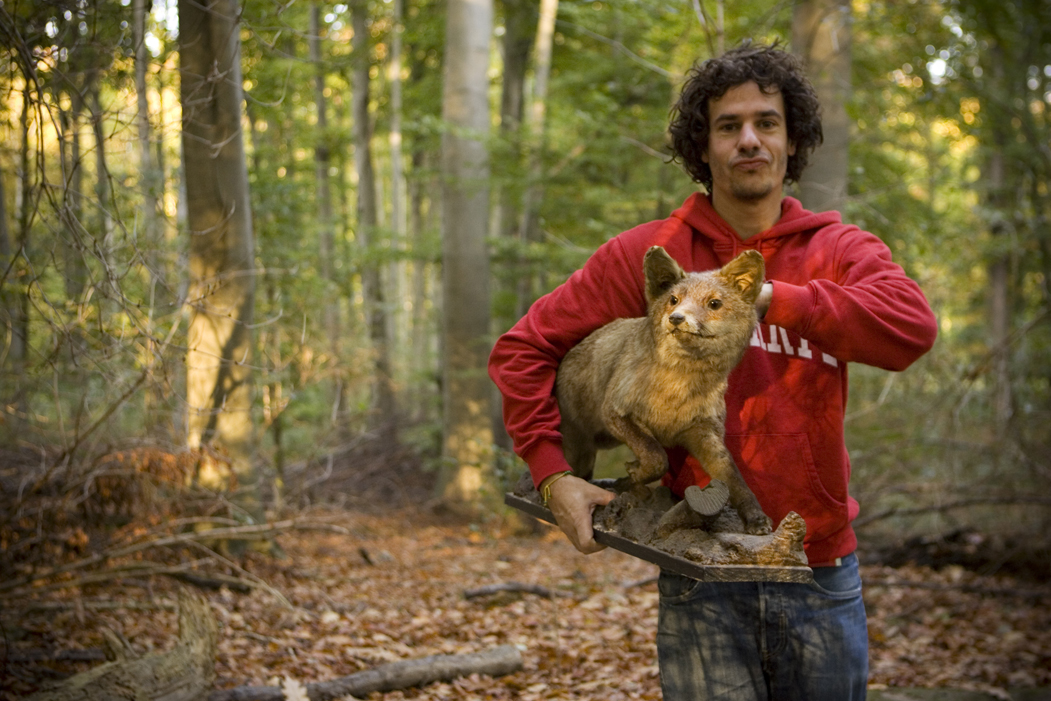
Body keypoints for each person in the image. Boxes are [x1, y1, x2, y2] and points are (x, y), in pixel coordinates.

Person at [488, 41, 938, 699]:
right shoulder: (653, 255)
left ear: (792, 140)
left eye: (766, 122)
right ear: (702, 147)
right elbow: (522, 349)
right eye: (728, 126)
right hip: (698, 572)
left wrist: (766, 296)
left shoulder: (836, 250)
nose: (748, 140)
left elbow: (911, 329)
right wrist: (553, 474)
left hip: (820, 571)